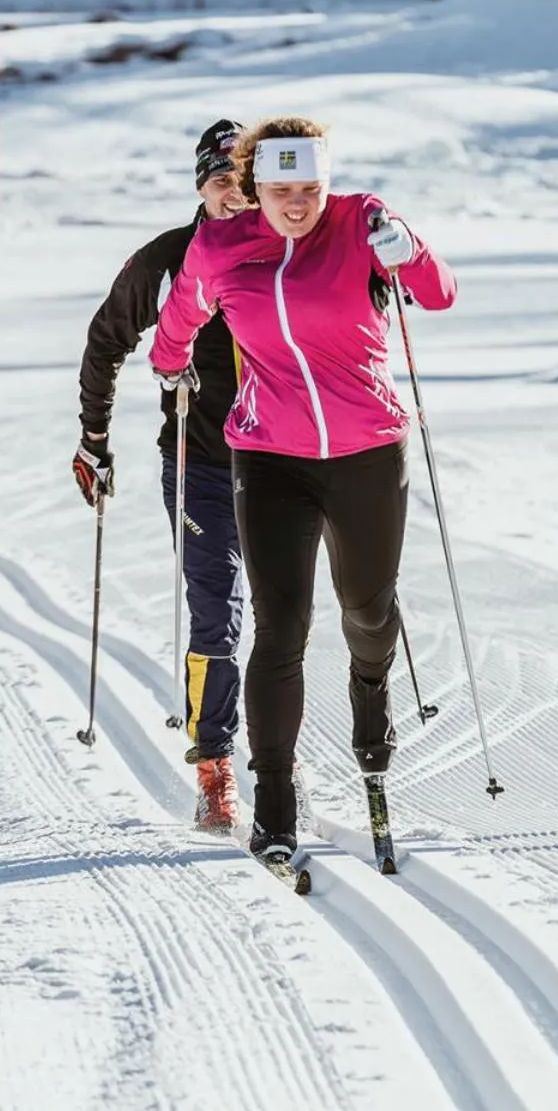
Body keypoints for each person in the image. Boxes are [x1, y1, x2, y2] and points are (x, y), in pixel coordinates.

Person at [148, 116, 457, 866]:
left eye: (311, 189)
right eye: (282, 189)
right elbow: (178, 319)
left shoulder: (361, 221)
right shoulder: (221, 246)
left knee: (368, 612)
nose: (297, 204)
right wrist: (170, 361)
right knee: (281, 630)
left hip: (368, 455)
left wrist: (407, 251)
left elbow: (437, 294)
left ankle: (370, 710)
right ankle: (276, 800)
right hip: (270, 461)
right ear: (253, 185)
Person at [73, 118, 251, 832]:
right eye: (220, 185)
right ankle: (215, 766)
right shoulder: (171, 258)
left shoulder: (291, 252)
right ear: (201, 187)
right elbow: (107, 338)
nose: (235, 199)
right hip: (201, 463)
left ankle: (273, 747)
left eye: (246, 186)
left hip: (288, 466)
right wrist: (94, 438)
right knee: (219, 613)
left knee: (285, 617)